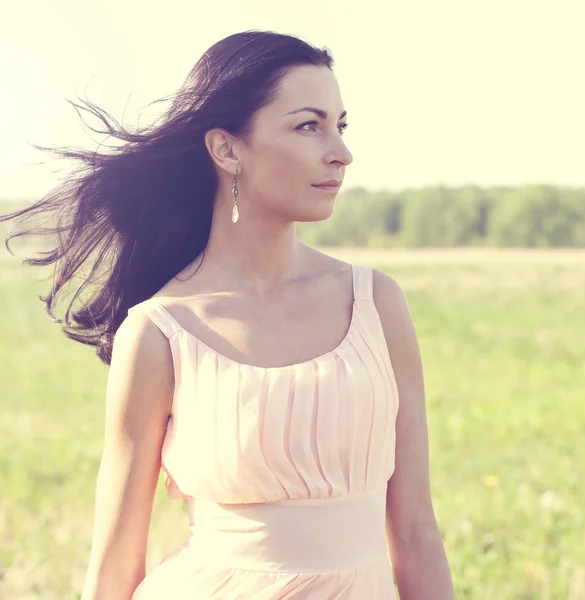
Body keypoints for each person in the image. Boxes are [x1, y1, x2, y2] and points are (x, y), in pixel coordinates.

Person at [1, 30, 454, 599]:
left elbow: (415, 532)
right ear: (227, 149)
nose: (340, 151)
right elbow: (114, 561)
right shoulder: (160, 331)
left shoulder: (376, 304)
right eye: (308, 125)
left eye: (340, 125)